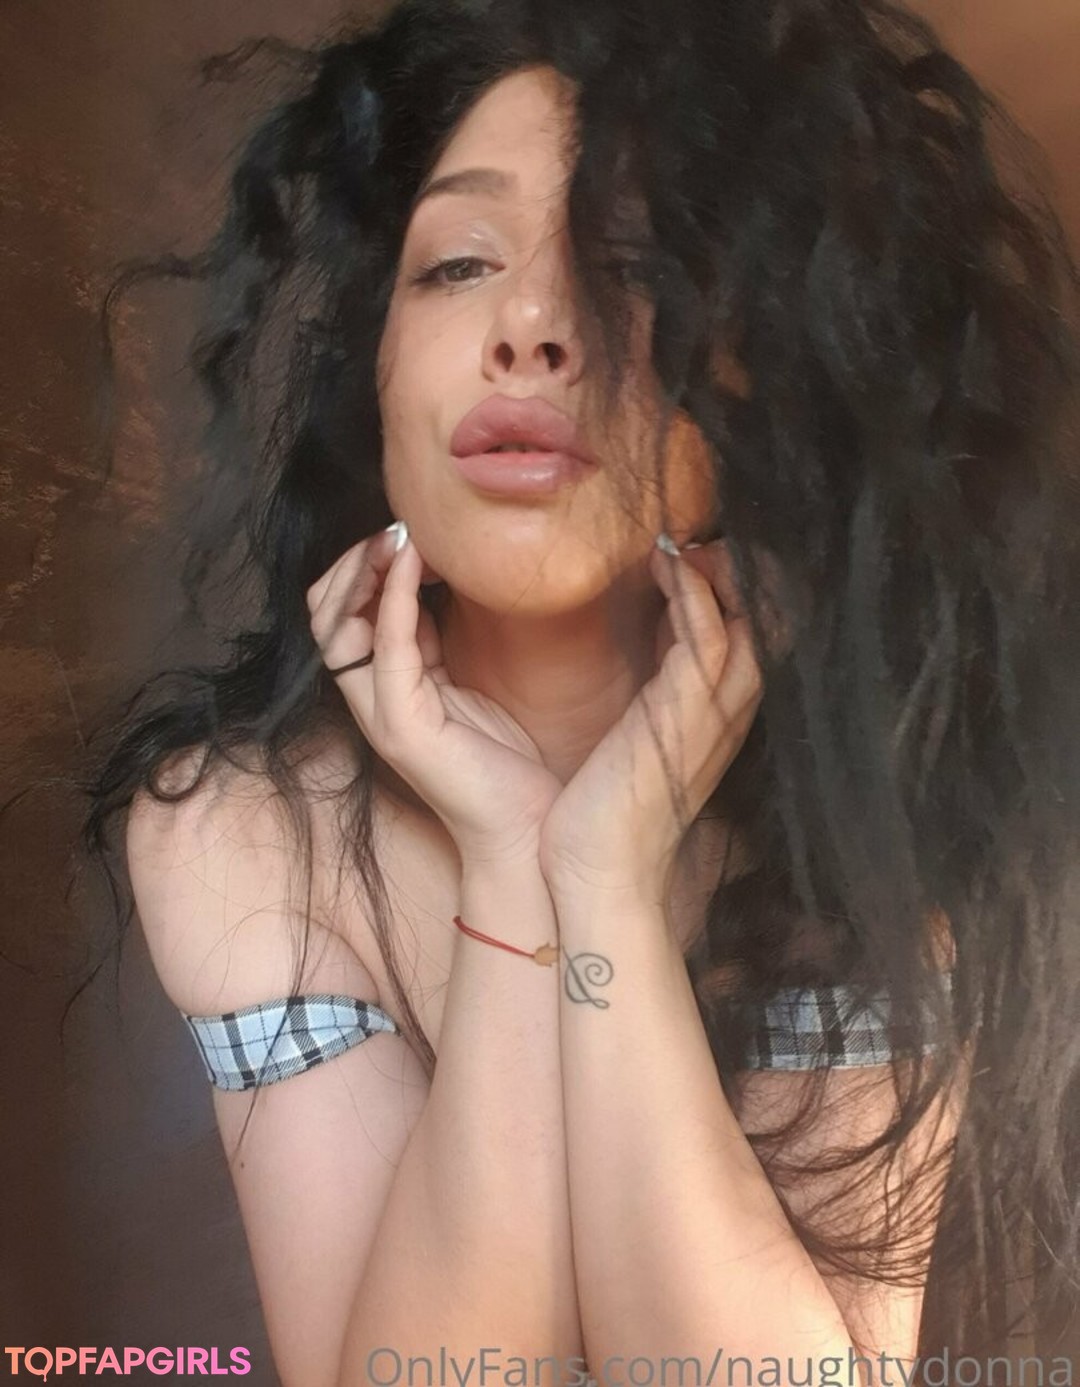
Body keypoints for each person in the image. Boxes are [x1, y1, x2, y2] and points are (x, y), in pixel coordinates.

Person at [81, 0, 1080, 1383]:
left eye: (632, 268)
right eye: (457, 264)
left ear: (768, 386)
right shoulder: (240, 829)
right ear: (375, 371)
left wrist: (604, 875)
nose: (534, 326)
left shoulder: (878, 823)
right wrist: (509, 863)